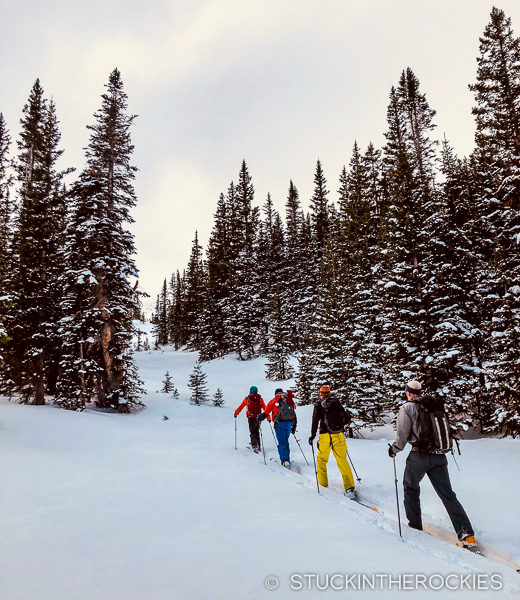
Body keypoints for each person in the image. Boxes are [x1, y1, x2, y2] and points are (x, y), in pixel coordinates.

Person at [388, 380, 476, 548]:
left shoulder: (407, 408)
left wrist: (394, 450)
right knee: (447, 494)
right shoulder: (433, 406)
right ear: (420, 392)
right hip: (440, 456)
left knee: (410, 487)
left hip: (419, 456)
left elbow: (402, 434)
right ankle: (466, 534)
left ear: (408, 392)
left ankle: (415, 527)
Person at [308, 385, 356, 499]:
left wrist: (312, 435)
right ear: (329, 393)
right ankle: (349, 488)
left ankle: (323, 484)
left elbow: (315, 421)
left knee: (321, 460)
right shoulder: (336, 402)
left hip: (325, 436)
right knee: (342, 461)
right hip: (338, 434)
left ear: (320, 393)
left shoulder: (318, 404)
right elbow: (345, 418)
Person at [258, 388, 297, 468]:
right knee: (286, 441)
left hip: (280, 424)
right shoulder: (288, 399)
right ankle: (287, 458)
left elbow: (266, 413)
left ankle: (285, 461)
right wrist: (294, 426)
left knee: (282, 442)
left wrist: (259, 419)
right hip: (289, 423)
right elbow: (294, 414)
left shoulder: (274, 401)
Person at [234, 386, 269, 453]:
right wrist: (268, 417)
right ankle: (258, 445)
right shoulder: (260, 399)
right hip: (258, 417)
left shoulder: (247, 398)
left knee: (252, 431)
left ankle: (254, 446)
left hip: (251, 417)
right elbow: (265, 408)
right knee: (257, 431)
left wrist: (236, 413)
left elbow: (241, 406)